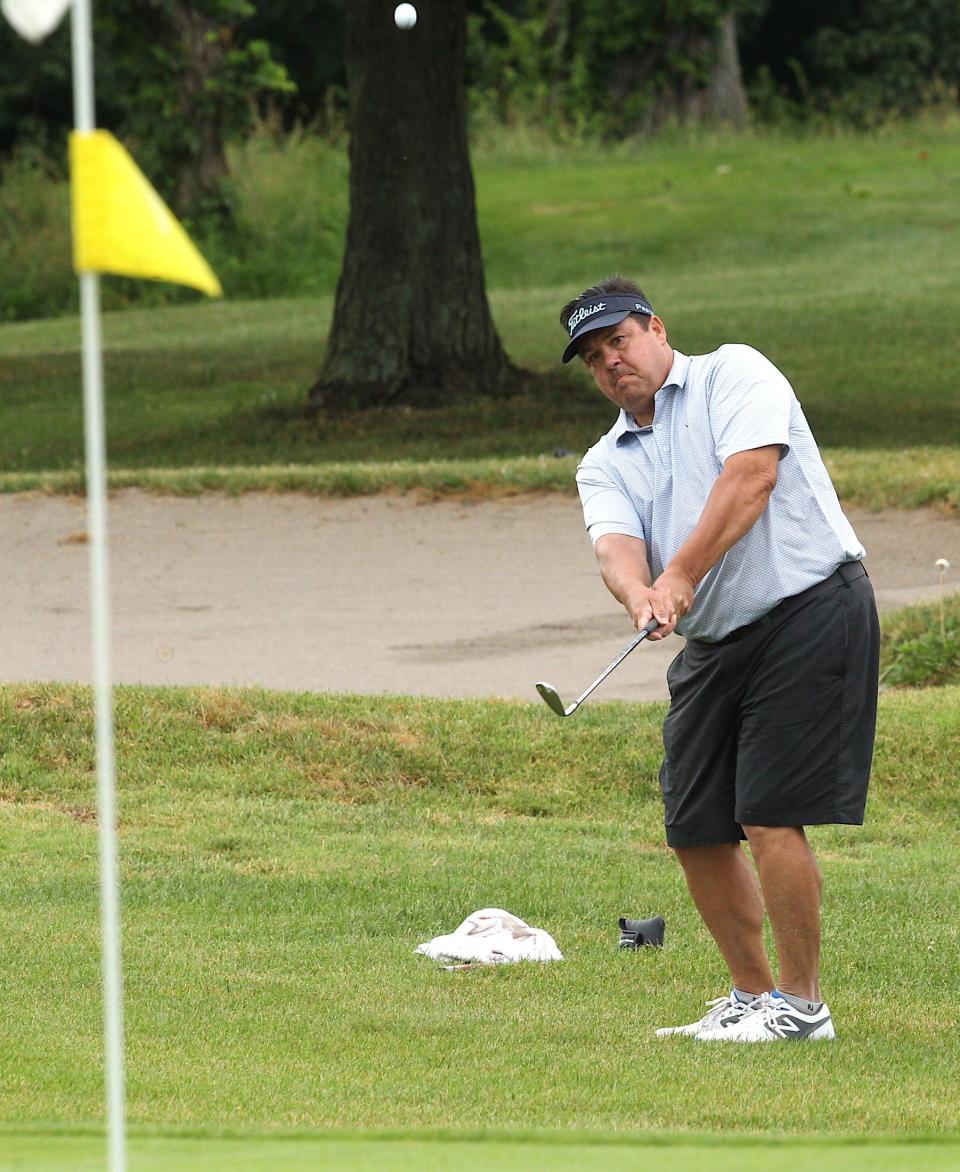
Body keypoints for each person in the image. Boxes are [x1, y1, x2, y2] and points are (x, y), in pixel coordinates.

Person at [559, 276, 880, 1042]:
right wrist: (640, 593)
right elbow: (615, 546)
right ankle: (751, 996)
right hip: (715, 641)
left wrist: (679, 577)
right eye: (595, 356)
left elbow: (752, 478)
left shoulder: (734, 373)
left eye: (620, 341)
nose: (612, 362)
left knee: (767, 812)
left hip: (807, 607)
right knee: (695, 823)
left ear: (657, 329)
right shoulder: (603, 460)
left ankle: (802, 1009)